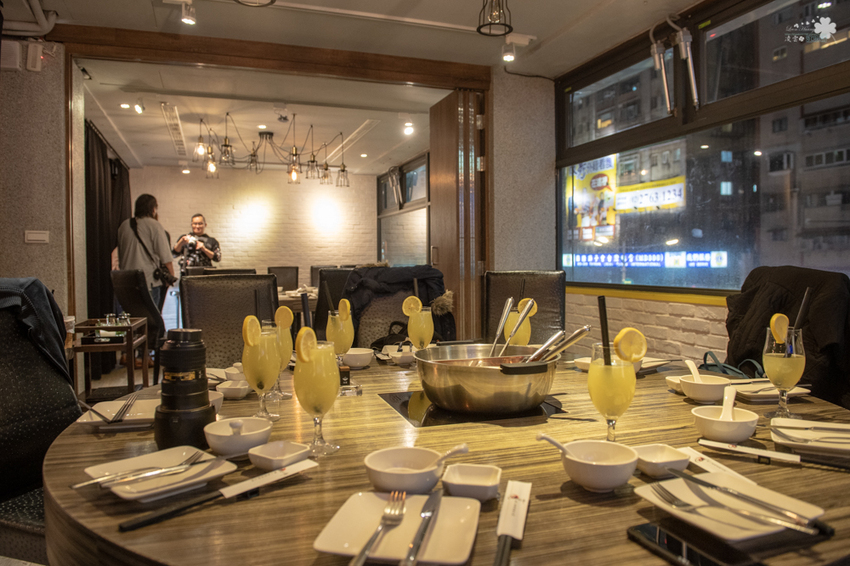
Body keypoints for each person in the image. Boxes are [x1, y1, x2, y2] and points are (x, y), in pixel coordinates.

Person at [116, 194, 174, 307]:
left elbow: (121, 255)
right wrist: (171, 277)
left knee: (132, 316)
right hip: (148, 282)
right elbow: (166, 257)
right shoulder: (154, 225)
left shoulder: (124, 226)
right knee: (150, 316)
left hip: (127, 282)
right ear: (153, 209)